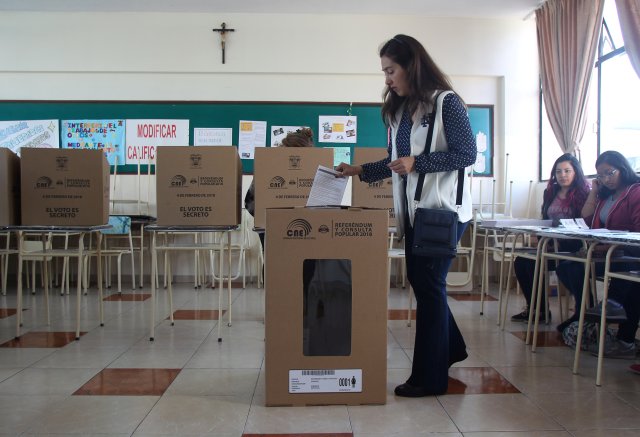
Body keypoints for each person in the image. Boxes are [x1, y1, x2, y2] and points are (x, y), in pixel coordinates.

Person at [336, 34, 477, 397]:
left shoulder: (447, 103)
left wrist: (420, 162)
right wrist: (360, 171)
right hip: (412, 213)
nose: (386, 79)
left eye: (390, 70)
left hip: (441, 212)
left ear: (411, 66)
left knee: (429, 288)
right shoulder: (398, 112)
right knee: (425, 284)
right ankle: (451, 349)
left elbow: (467, 154)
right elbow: (398, 164)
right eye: (384, 71)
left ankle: (429, 379)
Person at [556, 151, 640, 358]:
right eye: (600, 176)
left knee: (627, 278)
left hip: (630, 253)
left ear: (623, 169)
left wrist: (612, 245)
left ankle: (611, 321)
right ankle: (589, 312)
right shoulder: (606, 195)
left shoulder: (635, 192)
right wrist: (594, 191)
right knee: (567, 266)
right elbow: (587, 220)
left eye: (609, 173)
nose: (606, 179)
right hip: (609, 252)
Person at [510, 154, 590, 322]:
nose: (563, 175)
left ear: (576, 172)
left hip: (574, 247)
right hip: (551, 244)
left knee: (536, 264)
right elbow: (546, 219)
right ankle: (538, 310)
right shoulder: (550, 192)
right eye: (558, 171)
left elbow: (585, 224)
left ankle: (582, 311)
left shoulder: (584, 193)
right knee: (522, 262)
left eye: (567, 171)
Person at [244, 127, 315, 248]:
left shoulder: (267, 168)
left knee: (275, 263)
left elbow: (249, 204)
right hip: (276, 227)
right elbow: (250, 204)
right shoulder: (266, 169)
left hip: (283, 227)